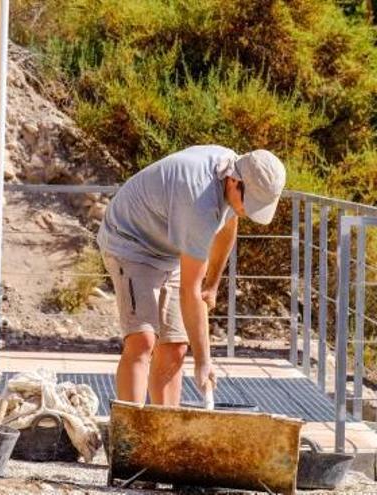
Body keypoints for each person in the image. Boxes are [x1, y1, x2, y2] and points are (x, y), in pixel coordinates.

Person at [97, 145, 286, 405]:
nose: (249, 210)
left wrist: (213, 284)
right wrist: (204, 363)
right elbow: (190, 291)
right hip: (130, 242)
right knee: (143, 339)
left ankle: (164, 434)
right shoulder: (199, 199)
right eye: (250, 202)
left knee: (175, 346)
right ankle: (131, 437)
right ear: (234, 181)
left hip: (170, 248)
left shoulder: (233, 175)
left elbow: (228, 223)